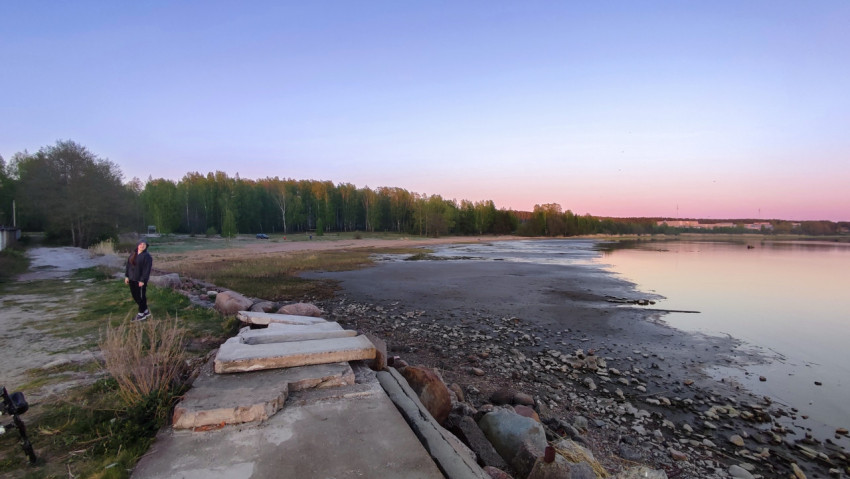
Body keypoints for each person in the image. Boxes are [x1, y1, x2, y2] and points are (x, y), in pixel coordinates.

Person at [125, 239, 153, 321]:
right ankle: (146, 311)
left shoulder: (147, 257)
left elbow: (146, 270)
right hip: (131, 279)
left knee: (141, 297)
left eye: (144, 244)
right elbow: (128, 266)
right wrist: (127, 276)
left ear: (146, 246)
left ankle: (141, 314)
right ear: (137, 245)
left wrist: (142, 280)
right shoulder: (133, 254)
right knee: (135, 296)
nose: (142, 245)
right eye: (140, 244)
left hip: (140, 280)